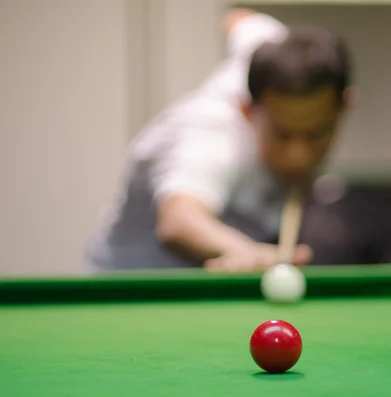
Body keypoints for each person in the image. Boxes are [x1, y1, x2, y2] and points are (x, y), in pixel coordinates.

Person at [86, 9, 354, 272]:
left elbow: (238, 18)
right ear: (248, 111)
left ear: (346, 106)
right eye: (281, 134)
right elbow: (178, 222)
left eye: (316, 133)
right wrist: (249, 253)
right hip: (130, 286)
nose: (298, 155)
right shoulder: (212, 136)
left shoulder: (278, 48)